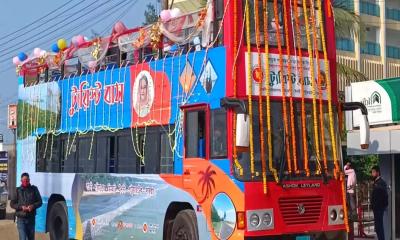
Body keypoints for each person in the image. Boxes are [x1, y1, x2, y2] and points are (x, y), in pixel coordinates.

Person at [10, 173, 42, 240]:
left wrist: (33, 206)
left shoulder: (34, 189)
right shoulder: (17, 190)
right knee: (23, 238)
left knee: (31, 238)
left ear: (29, 180)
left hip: (31, 219)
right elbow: (12, 204)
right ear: (21, 180)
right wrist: (21, 207)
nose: (25, 181)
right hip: (21, 219)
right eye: (24, 180)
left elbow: (40, 202)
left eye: (27, 180)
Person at [371, 166, 388, 240]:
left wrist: (383, 206)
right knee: (377, 227)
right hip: (376, 208)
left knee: (379, 227)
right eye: (372, 172)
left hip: (379, 208)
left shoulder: (381, 182)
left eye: (373, 172)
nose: (372, 174)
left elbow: (385, 195)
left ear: (377, 173)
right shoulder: (376, 182)